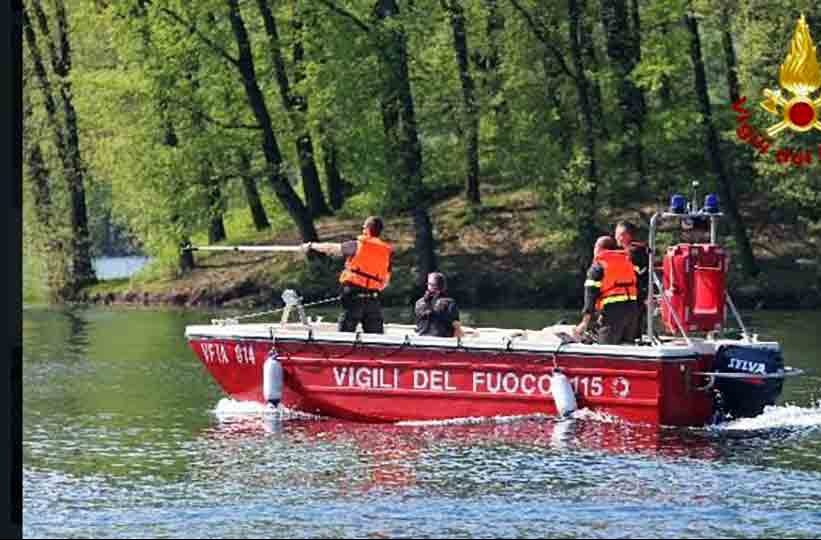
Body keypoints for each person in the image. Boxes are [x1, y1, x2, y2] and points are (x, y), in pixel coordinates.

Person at [303, 216, 392, 333]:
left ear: (368, 229)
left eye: (364, 227)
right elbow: (386, 280)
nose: (363, 229)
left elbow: (332, 248)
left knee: (346, 333)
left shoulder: (358, 245)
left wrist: (311, 246)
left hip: (354, 298)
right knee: (375, 336)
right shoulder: (386, 252)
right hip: (373, 300)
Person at [574, 236, 640, 345]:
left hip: (613, 313)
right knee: (627, 346)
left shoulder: (598, 266)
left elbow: (590, 294)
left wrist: (584, 323)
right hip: (632, 311)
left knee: (606, 347)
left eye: (595, 247)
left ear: (599, 248)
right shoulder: (628, 262)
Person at [615, 220, 649, 336]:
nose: (616, 238)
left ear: (626, 235)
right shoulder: (638, 249)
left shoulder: (632, 252)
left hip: (632, 299)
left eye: (618, 234)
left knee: (630, 331)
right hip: (637, 298)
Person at [415, 272, 464, 338]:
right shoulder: (450, 303)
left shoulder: (419, 303)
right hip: (442, 341)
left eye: (429, 284)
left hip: (421, 339)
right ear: (443, 286)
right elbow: (457, 328)